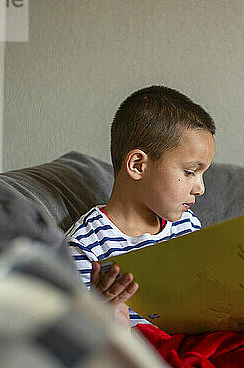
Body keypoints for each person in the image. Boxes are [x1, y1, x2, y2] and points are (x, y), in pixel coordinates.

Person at [66, 85, 216, 326]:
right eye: (190, 172)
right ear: (137, 165)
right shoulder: (85, 247)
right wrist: (103, 316)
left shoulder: (187, 225)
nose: (200, 188)